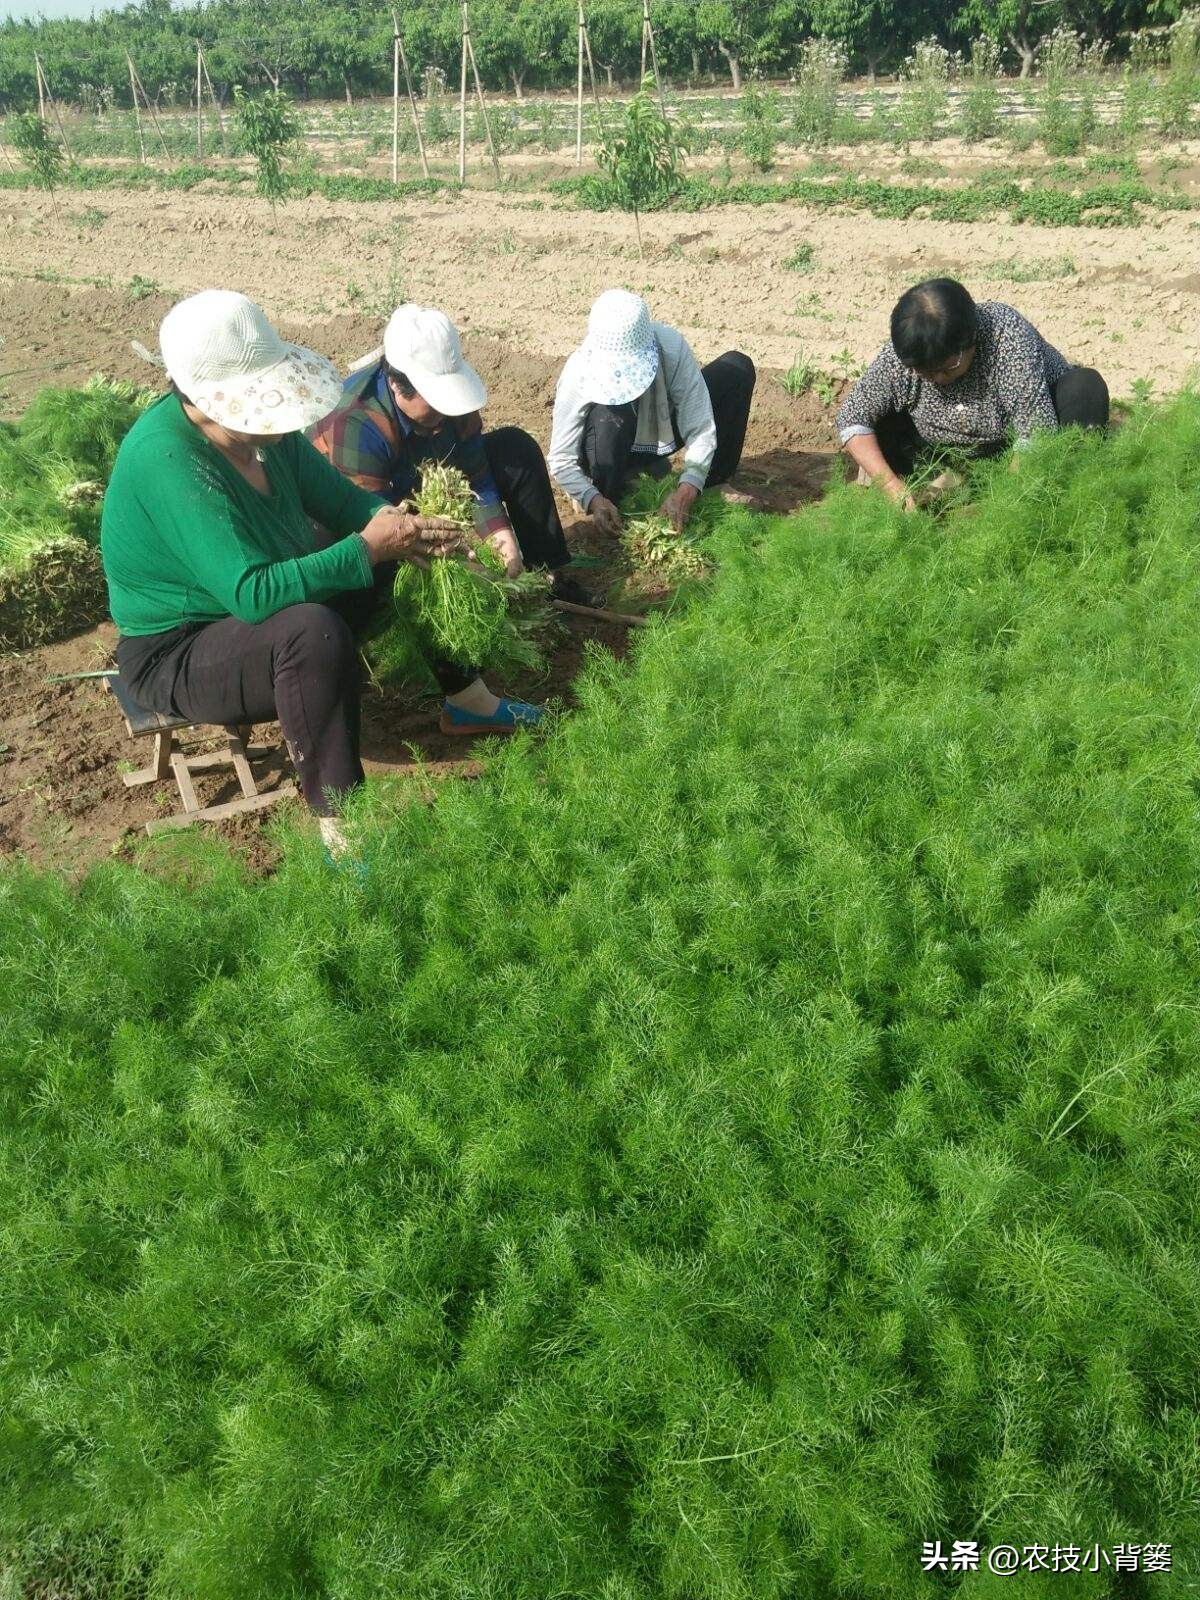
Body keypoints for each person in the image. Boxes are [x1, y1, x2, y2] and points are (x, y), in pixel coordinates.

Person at [101, 290, 540, 858]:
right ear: (204, 400)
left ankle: (468, 700)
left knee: (402, 556)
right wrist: (365, 548)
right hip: (179, 652)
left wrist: (397, 526)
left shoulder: (267, 440)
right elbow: (253, 594)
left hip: (252, 607)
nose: (274, 419)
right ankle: (345, 830)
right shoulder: (169, 460)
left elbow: (341, 502)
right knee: (312, 631)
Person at [309, 303, 594, 608]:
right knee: (373, 571)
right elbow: (379, 522)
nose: (446, 413)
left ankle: (543, 578)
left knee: (515, 449)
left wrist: (504, 543)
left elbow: (477, 477)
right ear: (396, 384)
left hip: (418, 477)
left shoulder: (453, 408)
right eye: (435, 404)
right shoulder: (356, 422)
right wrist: (456, 555)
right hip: (358, 510)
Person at [837, 278, 1110, 504]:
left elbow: (1034, 431)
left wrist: (1002, 503)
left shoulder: (1006, 337)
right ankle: (939, 485)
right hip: (941, 452)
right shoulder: (903, 355)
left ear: (972, 338)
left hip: (1015, 447)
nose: (938, 379)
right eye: (926, 373)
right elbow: (852, 419)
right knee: (879, 421)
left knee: (1084, 388)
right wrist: (893, 489)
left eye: (948, 367)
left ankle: (1063, 493)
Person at [547, 289, 758, 538]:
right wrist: (591, 498)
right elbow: (561, 458)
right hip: (607, 445)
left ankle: (712, 482)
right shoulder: (578, 372)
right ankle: (609, 495)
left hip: (660, 430)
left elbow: (700, 425)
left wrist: (688, 487)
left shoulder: (670, 348)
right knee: (608, 414)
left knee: (736, 368)